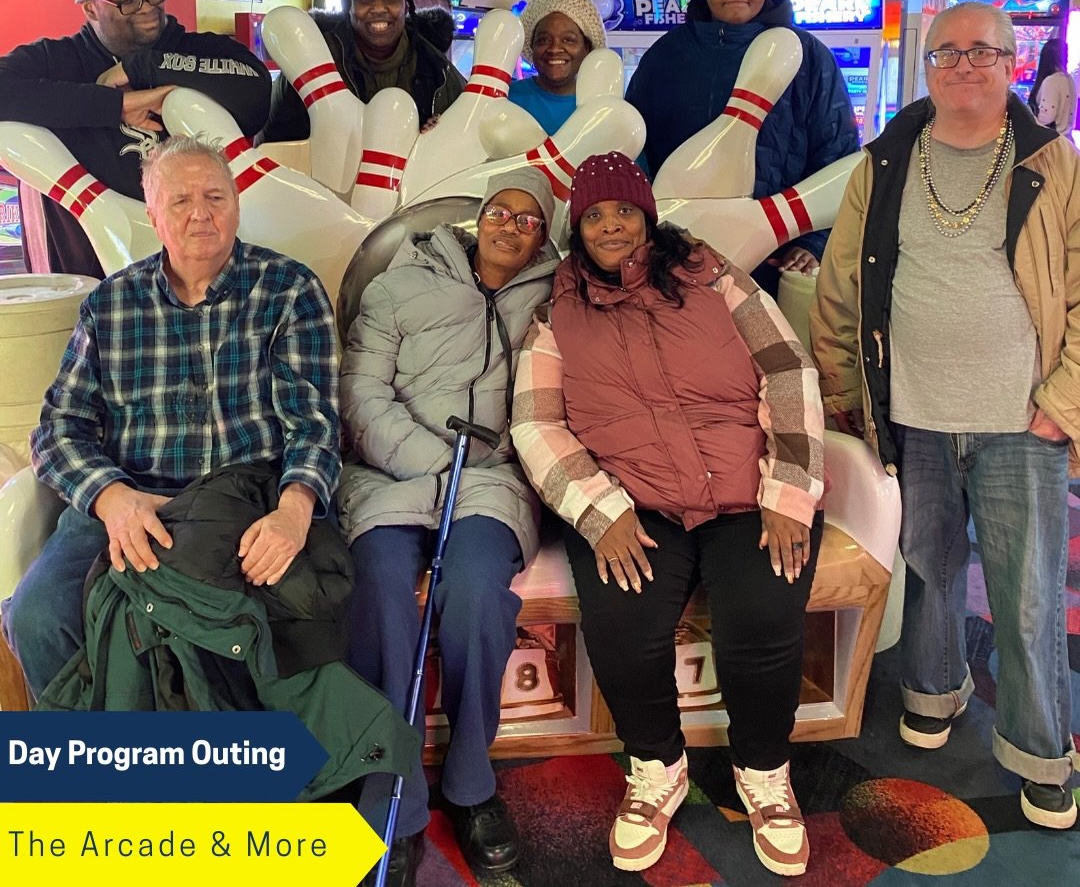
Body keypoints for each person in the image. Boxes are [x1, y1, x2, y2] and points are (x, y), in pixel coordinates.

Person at [513, 153, 825, 878]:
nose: (611, 225)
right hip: (633, 500)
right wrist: (599, 511)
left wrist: (788, 490)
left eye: (623, 210)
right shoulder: (557, 309)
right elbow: (537, 422)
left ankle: (763, 771)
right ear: (578, 228)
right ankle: (657, 766)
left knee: (766, 615)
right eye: (595, 216)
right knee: (622, 628)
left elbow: (788, 367)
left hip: (745, 488)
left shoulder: (714, 280)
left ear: (646, 216)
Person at [810, 2, 1079, 830]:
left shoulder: (1053, 163)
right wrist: (845, 389)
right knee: (927, 566)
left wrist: (1064, 403)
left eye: (982, 52)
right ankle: (933, 690)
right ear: (926, 69)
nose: (964, 66)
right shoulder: (885, 161)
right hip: (912, 410)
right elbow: (841, 284)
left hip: (1018, 417)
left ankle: (1041, 749)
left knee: (1028, 592)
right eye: (946, 54)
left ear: (1011, 63)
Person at [2, 136, 341, 702]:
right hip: (133, 497)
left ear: (237, 205)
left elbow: (315, 423)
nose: (202, 214)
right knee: (38, 616)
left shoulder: (288, 289)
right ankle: (105, 775)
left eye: (215, 196)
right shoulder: (111, 304)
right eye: (181, 201)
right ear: (153, 215)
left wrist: (294, 510)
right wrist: (112, 499)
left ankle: (240, 778)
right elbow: (59, 430)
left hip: (245, 500)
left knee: (252, 625)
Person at [339, 167, 560, 887]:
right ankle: (389, 799)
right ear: (478, 218)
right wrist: (432, 464)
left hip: (491, 479)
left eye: (530, 220)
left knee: (473, 594)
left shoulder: (558, 297)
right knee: (377, 591)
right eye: (501, 211)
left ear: (544, 237)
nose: (511, 226)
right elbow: (360, 389)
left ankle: (471, 781)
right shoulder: (402, 282)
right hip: (390, 471)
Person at [0, 0, 271, 278]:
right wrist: (115, 105)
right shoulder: (56, 61)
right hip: (94, 274)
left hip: (210, 273)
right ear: (90, 7)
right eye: (127, 1)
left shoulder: (199, 50)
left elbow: (255, 89)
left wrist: (143, 68)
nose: (148, 9)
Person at [625, 0, 859, 294]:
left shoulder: (810, 57)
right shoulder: (665, 56)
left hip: (775, 252)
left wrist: (813, 241)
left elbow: (837, 151)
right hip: (676, 249)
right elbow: (635, 150)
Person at [261, 0, 466, 140]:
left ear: (406, 5)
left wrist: (437, 134)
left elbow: (468, 134)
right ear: (348, 7)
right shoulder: (311, 61)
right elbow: (273, 145)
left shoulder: (436, 66)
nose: (378, 8)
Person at [507, 0, 608, 134]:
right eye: (543, 40)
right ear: (532, 46)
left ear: (586, 48)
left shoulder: (603, 109)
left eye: (568, 40)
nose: (554, 49)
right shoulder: (505, 98)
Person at [1027, 36, 1077, 135]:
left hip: (1051, 144)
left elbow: (1046, 117)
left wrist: (1027, 116)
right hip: (1066, 141)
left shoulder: (1052, 81)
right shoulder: (1069, 79)